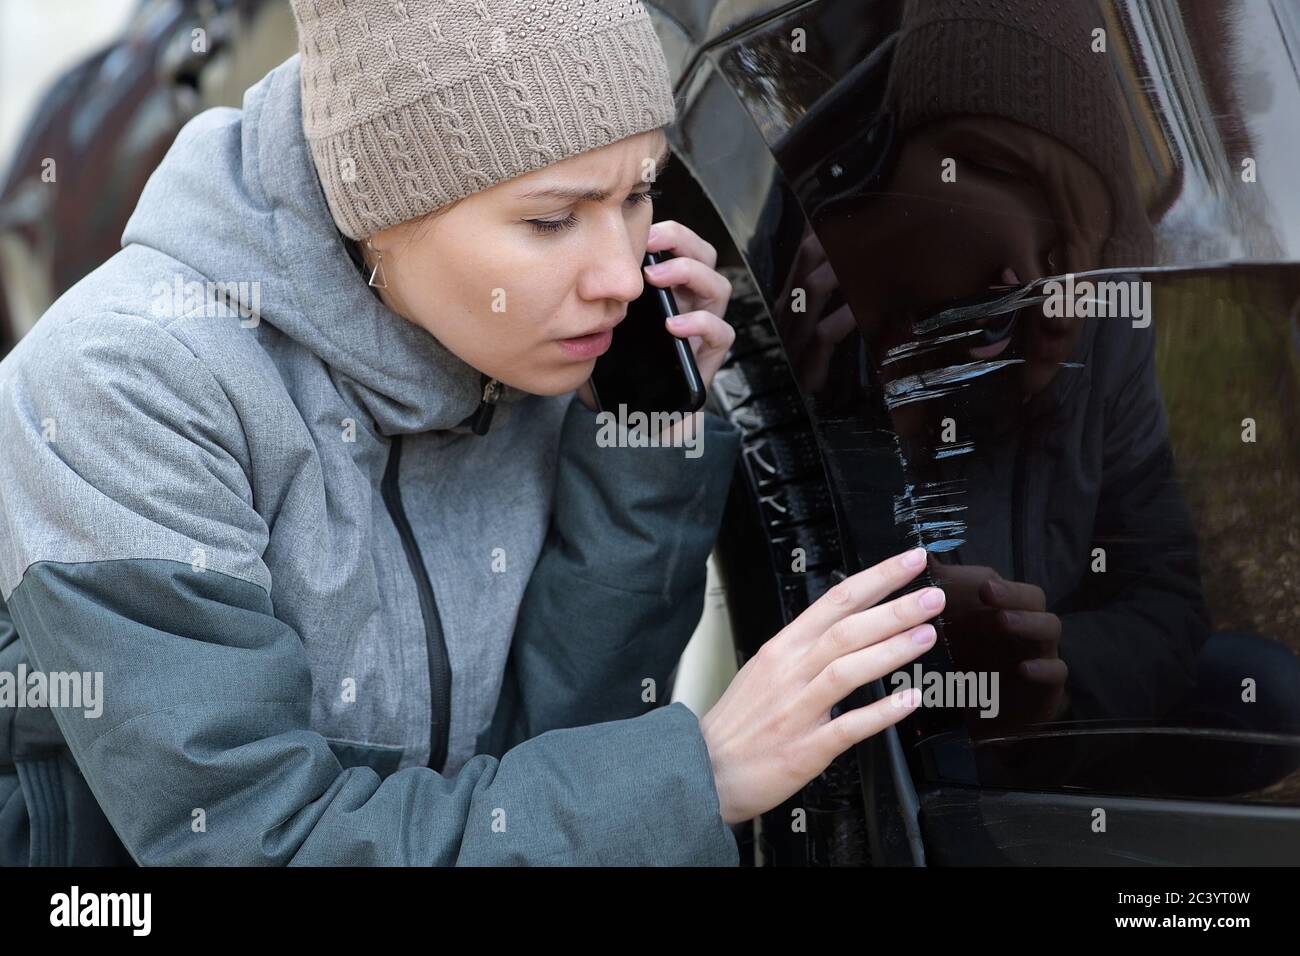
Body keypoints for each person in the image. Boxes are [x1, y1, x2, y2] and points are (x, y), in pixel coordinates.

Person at [0, 0, 941, 866]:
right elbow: (258, 843)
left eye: (636, 196)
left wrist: (645, 445)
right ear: (378, 213)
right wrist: (702, 774)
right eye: (553, 219)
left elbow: (556, 759)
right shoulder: (122, 386)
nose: (621, 277)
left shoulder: (546, 346)